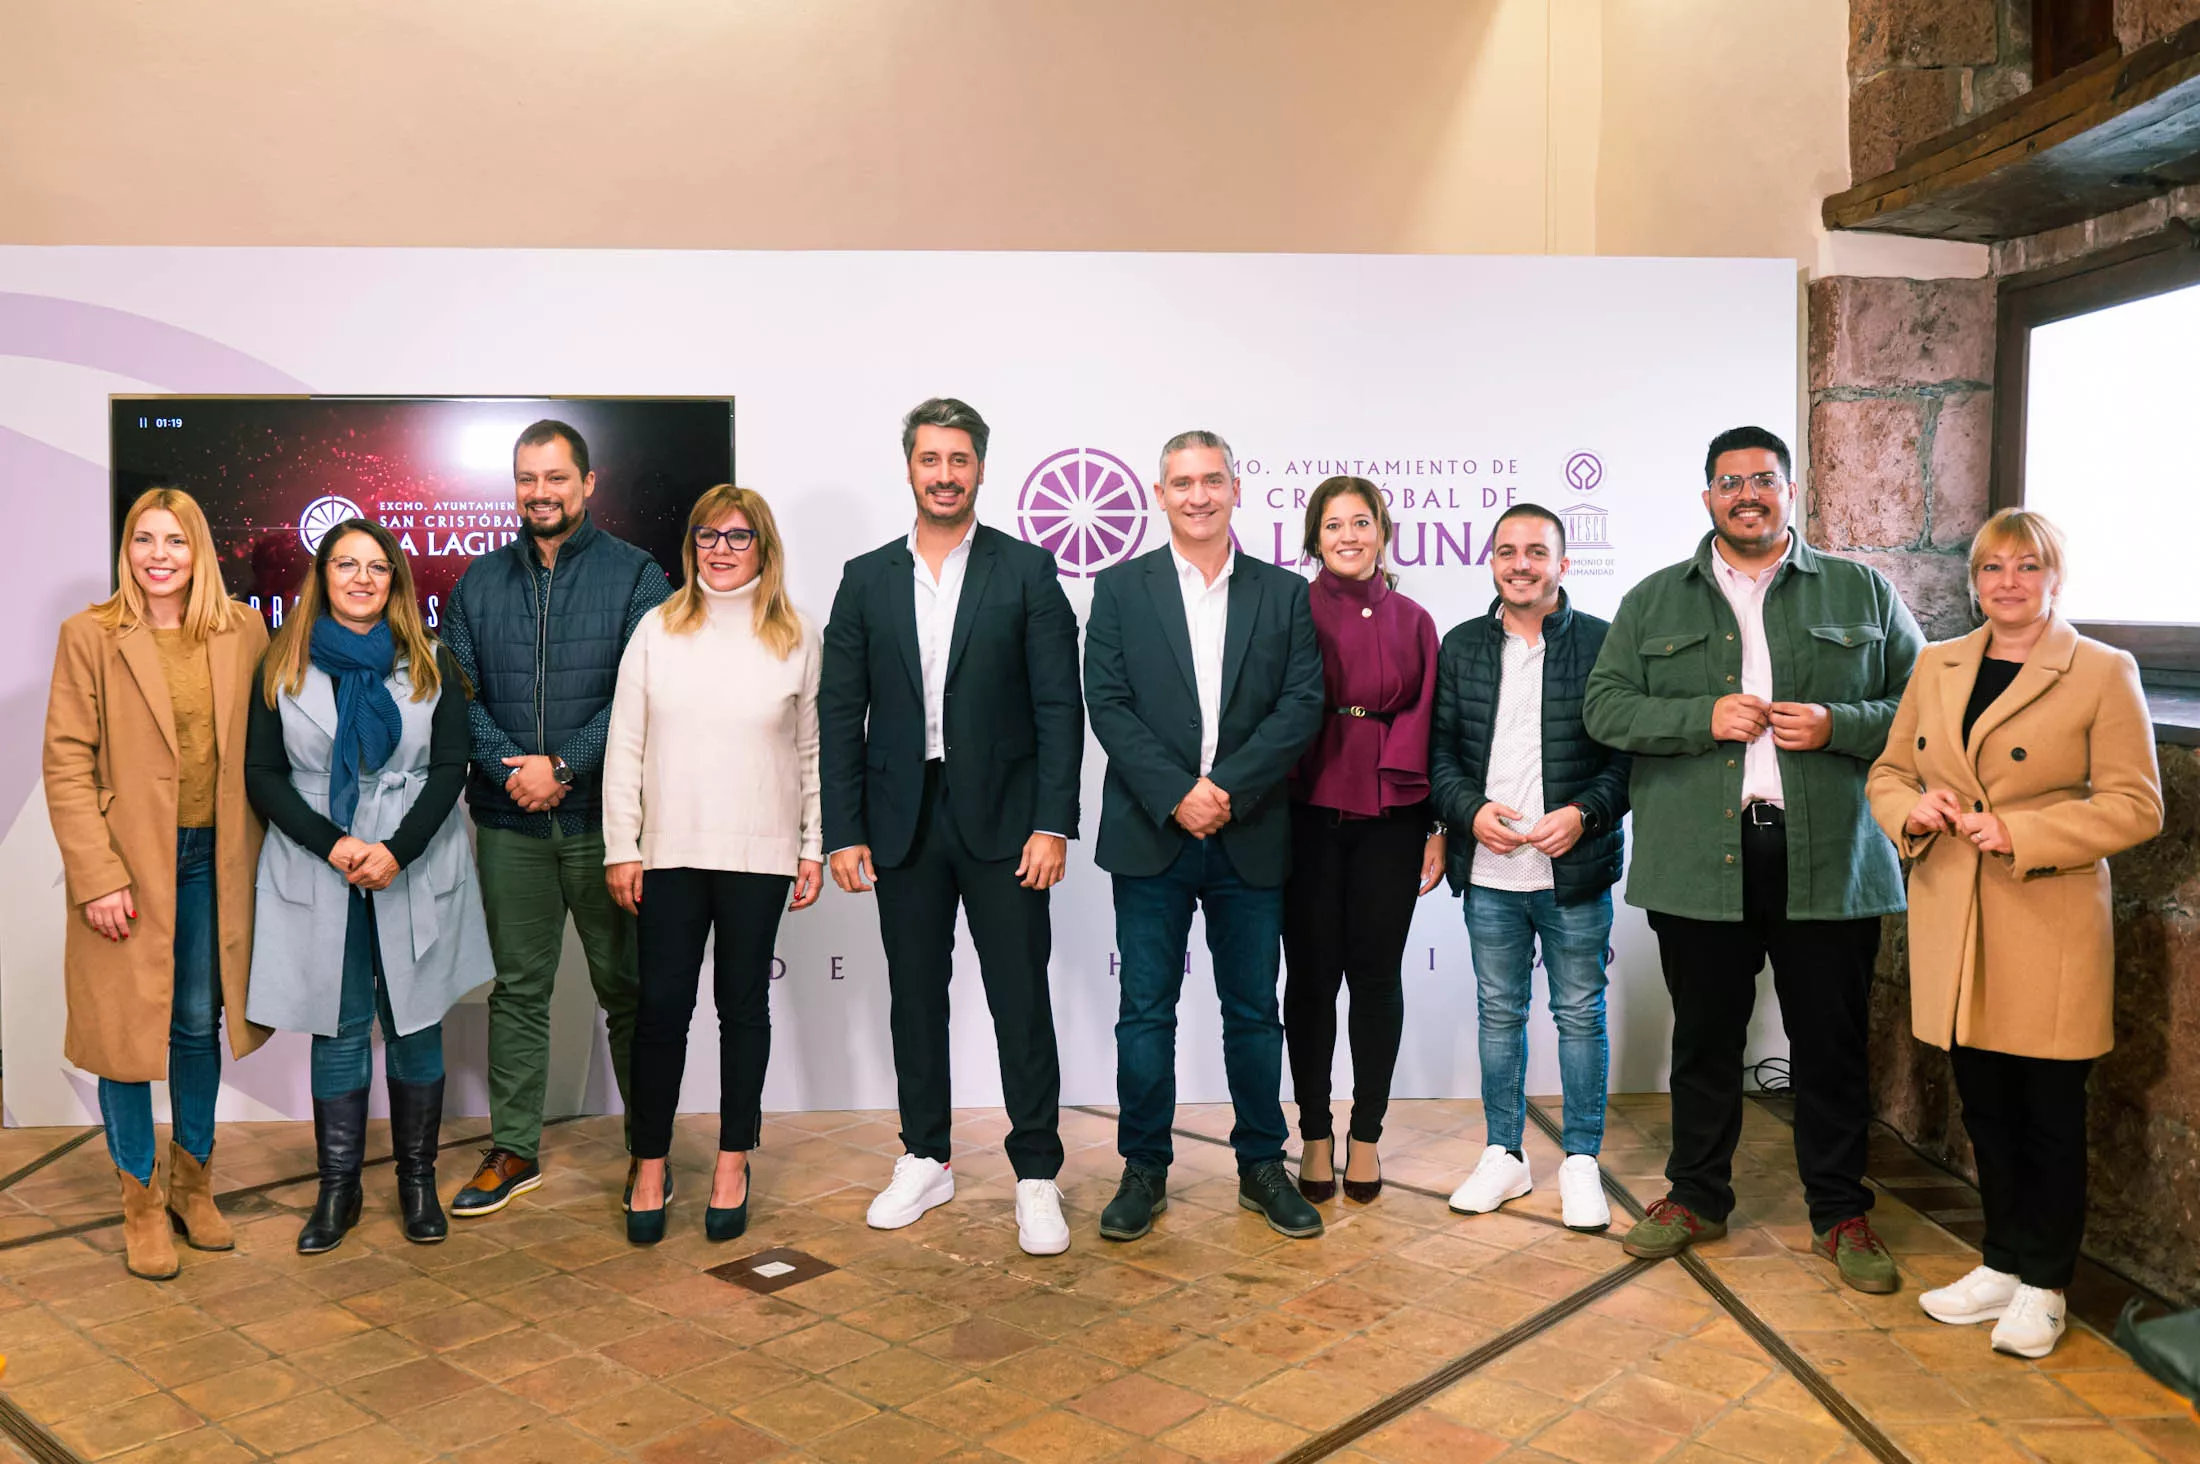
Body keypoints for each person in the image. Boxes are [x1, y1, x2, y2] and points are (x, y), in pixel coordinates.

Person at [1584, 425, 1923, 1293]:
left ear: (1789, 491)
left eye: (1763, 480)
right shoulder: (1654, 600)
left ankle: (1841, 1212)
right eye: (1730, 482)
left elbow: (1924, 706)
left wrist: (1839, 726)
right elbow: (1606, 709)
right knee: (1703, 1040)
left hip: (1830, 858)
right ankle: (1697, 1197)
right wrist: (1701, 716)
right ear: (1707, 498)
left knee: (1831, 1046)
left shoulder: (1864, 590)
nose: (1747, 495)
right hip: (1702, 857)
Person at [1868, 509, 2162, 1358]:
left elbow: (2138, 805)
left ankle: (2045, 1283)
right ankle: (1999, 1261)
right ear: (1974, 580)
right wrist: (1909, 808)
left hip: (2046, 923)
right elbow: (1889, 771)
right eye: (1992, 567)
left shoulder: (2103, 670)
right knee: (1983, 1105)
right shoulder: (1939, 664)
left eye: (2026, 567)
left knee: (2046, 1112)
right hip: (1954, 916)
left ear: (2054, 578)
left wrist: (2023, 834)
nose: (2007, 582)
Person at [819, 398, 1084, 1257]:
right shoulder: (865, 577)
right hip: (901, 823)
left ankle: (1036, 1173)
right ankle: (925, 1155)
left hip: (1007, 824)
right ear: (909, 467)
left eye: (959, 460)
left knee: (1020, 1000)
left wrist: (1053, 822)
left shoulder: (1027, 570)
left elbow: (1059, 708)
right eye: (930, 459)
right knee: (914, 999)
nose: (944, 474)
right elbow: (839, 711)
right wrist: (843, 828)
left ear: (980, 468)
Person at [1085, 430, 1327, 1242]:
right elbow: (1107, 702)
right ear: (1160, 494)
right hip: (1152, 832)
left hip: (1248, 830)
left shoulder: (1283, 594)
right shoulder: (1119, 589)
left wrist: (1224, 789)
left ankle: (1263, 1164)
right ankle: (1143, 1169)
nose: (1198, 495)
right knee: (1145, 1012)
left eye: (1211, 480)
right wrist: (1177, 794)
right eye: (1182, 482)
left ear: (1234, 489)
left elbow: (1301, 704)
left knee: (1254, 1012)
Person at [442, 420, 672, 1217]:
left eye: (555, 478)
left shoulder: (640, 576)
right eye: (527, 479)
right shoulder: (476, 583)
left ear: (588, 484)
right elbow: (458, 695)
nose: (540, 493)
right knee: (518, 993)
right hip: (511, 828)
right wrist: (518, 773)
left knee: (631, 993)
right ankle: (513, 1151)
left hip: (610, 826)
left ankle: (650, 1150)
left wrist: (564, 766)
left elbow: (646, 693)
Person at [243, 519, 489, 1253]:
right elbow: (262, 775)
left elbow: (451, 767)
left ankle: (418, 1183)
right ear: (322, 577)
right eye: (345, 565)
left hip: (411, 858)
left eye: (376, 567)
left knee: (415, 1022)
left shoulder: (432, 660)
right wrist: (338, 844)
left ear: (396, 582)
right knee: (341, 1025)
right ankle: (338, 1190)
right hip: (321, 861)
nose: (360, 578)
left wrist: (397, 851)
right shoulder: (281, 664)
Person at [43, 488, 270, 1280]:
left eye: (175, 540)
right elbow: (66, 762)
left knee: (196, 1021)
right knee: (123, 1034)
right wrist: (96, 874)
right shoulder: (91, 635)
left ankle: (193, 1184)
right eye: (145, 540)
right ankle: (140, 1201)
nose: (160, 555)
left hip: (217, 857)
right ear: (127, 550)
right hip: (130, 863)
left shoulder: (244, 629)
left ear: (199, 547)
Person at [607, 486, 824, 1246]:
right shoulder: (657, 631)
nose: (722, 551)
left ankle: (734, 1160)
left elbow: (811, 752)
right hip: (668, 853)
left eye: (738, 537)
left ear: (763, 546)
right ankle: (650, 1164)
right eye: (708, 536)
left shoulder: (795, 636)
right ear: (691, 545)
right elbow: (624, 748)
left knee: (743, 1010)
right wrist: (621, 847)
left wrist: (811, 845)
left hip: (759, 855)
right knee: (661, 1013)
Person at [1432, 503, 1630, 1231]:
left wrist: (1583, 814)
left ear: (1562, 564)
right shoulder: (1459, 647)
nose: (1521, 563)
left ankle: (1580, 1161)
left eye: (1537, 552)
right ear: (1492, 561)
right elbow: (1440, 754)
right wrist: (1467, 812)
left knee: (1579, 1013)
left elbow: (1623, 761)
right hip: (1488, 870)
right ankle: (1504, 1156)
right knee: (1497, 1013)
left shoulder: (1606, 646)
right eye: (1508, 550)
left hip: (1573, 871)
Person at [1279, 476, 1445, 1205]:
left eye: (1361, 523)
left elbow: (1433, 721)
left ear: (1382, 531)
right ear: (1314, 537)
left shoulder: (1414, 618)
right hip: (1304, 811)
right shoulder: (1287, 608)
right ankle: (1315, 1131)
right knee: (1312, 981)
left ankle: (1367, 1133)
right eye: (1334, 525)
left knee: (1377, 979)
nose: (1348, 536)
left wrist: (1436, 825)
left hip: (1393, 814)